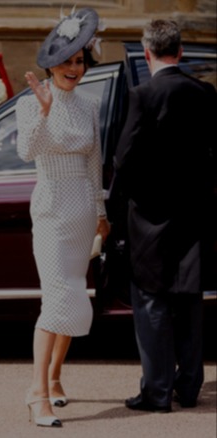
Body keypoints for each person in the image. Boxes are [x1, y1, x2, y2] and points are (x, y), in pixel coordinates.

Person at [113, 19, 216, 413]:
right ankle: (188, 388)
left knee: (153, 304)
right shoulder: (204, 93)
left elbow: (124, 159)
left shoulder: (143, 95)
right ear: (181, 52)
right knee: (189, 302)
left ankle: (157, 392)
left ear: (147, 53)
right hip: (194, 217)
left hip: (151, 220)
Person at [15, 7, 110, 427]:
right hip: (51, 210)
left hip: (82, 211)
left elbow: (95, 164)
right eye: (67, 61)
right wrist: (46, 111)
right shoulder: (32, 103)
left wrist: (102, 213)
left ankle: (54, 378)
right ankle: (37, 395)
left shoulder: (89, 105)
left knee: (73, 299)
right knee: (55, 302)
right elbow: (26, 152)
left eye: (80, 60)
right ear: (51, 64)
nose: (75, 68)